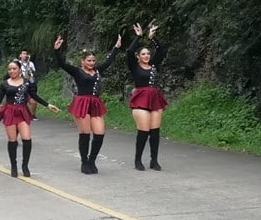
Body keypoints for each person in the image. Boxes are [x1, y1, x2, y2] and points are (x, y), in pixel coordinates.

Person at [54, 34, 121, 174]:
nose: (92, 63)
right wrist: (57, 50)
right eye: (89, 61)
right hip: (82, 102)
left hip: (95, 103)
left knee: (99, 133)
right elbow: (62, 64)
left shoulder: (97, 71)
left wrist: (116, 47)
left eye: (93, 61)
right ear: (82, 61)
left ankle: (92, 160)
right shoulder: (77, 72)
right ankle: (84, 162)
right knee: (85, 133)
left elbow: (108, 61)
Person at [0, 59, 60, 177]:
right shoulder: (5, 84)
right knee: (12, 140)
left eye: (14, 69)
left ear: (19, 69)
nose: (12, 71)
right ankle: (14, 165)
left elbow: (34, 96)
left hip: (22, 111)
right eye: (10, 69)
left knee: (27, 139)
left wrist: (48, 105)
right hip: (10, 111)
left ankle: (25, 165)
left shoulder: (27, 82)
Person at [127, 22, 168, 171]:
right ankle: (138, 160)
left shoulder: (154, 65)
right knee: (143, 131)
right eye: (143, 54)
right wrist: (138, 36)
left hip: (155, 99)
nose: (146, 56)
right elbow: (129, 51)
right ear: (138, 56)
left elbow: (161, 50)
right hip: (141, 98)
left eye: (148, 54)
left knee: (155, 131)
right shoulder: (134, 66)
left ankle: (154, 160)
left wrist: (152, 38)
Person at [19, 49, 38, 119]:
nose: (25, 55)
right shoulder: (17, 63)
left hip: (30, 83)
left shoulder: (31, 63)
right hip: (21, 83)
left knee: (34, 101)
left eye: (26, 54)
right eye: (23, 54)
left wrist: (30, 70)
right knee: (22, 100)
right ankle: (23, 114)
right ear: (20, 55)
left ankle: (32, 115)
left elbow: (34, 72)